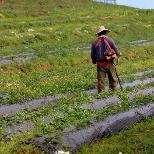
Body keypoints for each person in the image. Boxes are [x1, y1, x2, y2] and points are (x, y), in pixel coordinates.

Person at [91, 26, 121, 93]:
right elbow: (115, 50)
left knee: (101, 80)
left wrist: (94, 61)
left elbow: (93, 54)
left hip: (100, 63)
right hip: (109, 62)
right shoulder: (110, 40)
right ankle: (113, 92)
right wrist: (118, 54)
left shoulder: (94, 42)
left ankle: (101, 94)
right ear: (105, 32)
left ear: (98, 33)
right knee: (112, 78)